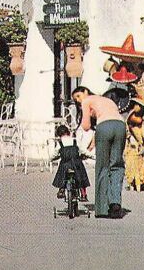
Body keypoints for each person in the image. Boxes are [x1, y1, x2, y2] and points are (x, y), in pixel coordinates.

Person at [72, 86, 127, 219]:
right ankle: (115, 203)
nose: (79, 100)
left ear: (85, 91)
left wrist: (85, 118)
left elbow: (86, 126)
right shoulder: (106, 100)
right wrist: (93, 142)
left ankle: (102, 208)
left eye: (78, 96)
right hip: (120, 126)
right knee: (117, 165)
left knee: (102, 166)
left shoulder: (87, 101)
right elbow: (109, 117)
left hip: (104, 128)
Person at [51, 124, 89, 201]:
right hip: (76, 164)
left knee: (61, 173)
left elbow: (54, 154)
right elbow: (83, 151)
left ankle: (61, 189)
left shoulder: (60, 143)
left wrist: (51, 159)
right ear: (68, 132)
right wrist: (91, 156)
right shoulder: (75, 141)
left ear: (59, 135)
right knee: (81, 176)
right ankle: (83, 194)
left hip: (65, 164)